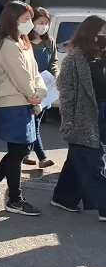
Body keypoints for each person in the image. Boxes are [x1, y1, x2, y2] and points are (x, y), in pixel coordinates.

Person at [0, 1, 47, 216]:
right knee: (19, 150)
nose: (30, 23)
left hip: (23, 102)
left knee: (19, 150)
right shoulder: (8, 44)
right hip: (13, 103)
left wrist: (40, 91)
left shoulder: (22, 41)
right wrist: (34, 95)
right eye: (26, 19)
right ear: (13, 20)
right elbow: (21, 76)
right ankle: (14, 199)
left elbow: (34, 71)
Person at [51, 15, 106, 223]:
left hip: (103, 111)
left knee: (78, 156)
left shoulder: (103, 54)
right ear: (89, 33)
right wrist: (68, 117)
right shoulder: (75, 57)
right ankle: (104, 206)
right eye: (101, 33)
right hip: (84, 114)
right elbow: (66, 89)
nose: (104, 37)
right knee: (94, 160)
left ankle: (63, 197)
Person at [23, 6, 59, 168]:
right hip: (28, 88)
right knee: (33, 123)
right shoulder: (24, 40)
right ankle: (42, 157)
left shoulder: (49, 41)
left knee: (35, 123)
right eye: (40, 22)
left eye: (46, 23)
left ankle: (24, 154)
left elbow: (54, 61)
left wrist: (55, 75)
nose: (44, 26)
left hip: (46, 88)